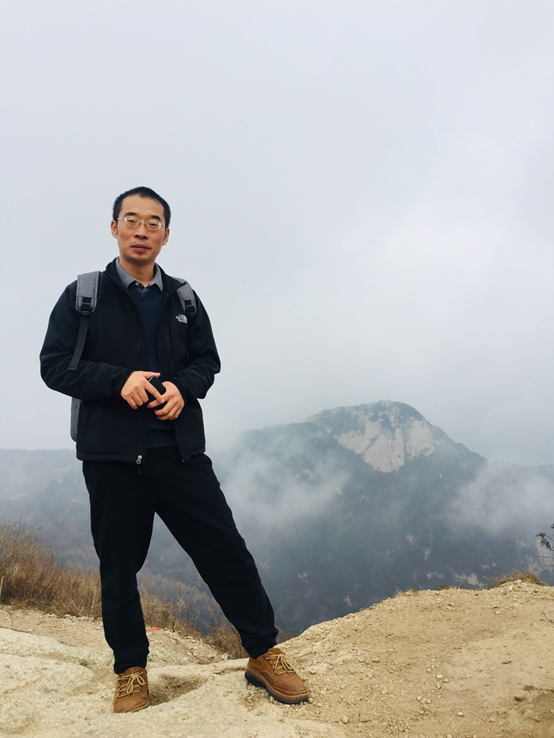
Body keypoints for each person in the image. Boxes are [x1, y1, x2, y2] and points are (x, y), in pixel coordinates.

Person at [40, 186, 309, 713]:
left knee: (226, 551)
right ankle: (131, 671)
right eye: (131, 220)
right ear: (113, 228)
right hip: (113, 458)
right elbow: (54, 365)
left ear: (166, 235)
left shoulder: (183, 298)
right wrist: (117, 380)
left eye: (153, 223)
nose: (141, 231)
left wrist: (184, 388)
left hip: (180, 451)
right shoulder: (83, 295)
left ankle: (262, 652)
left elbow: (208, 361)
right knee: (119, 567)